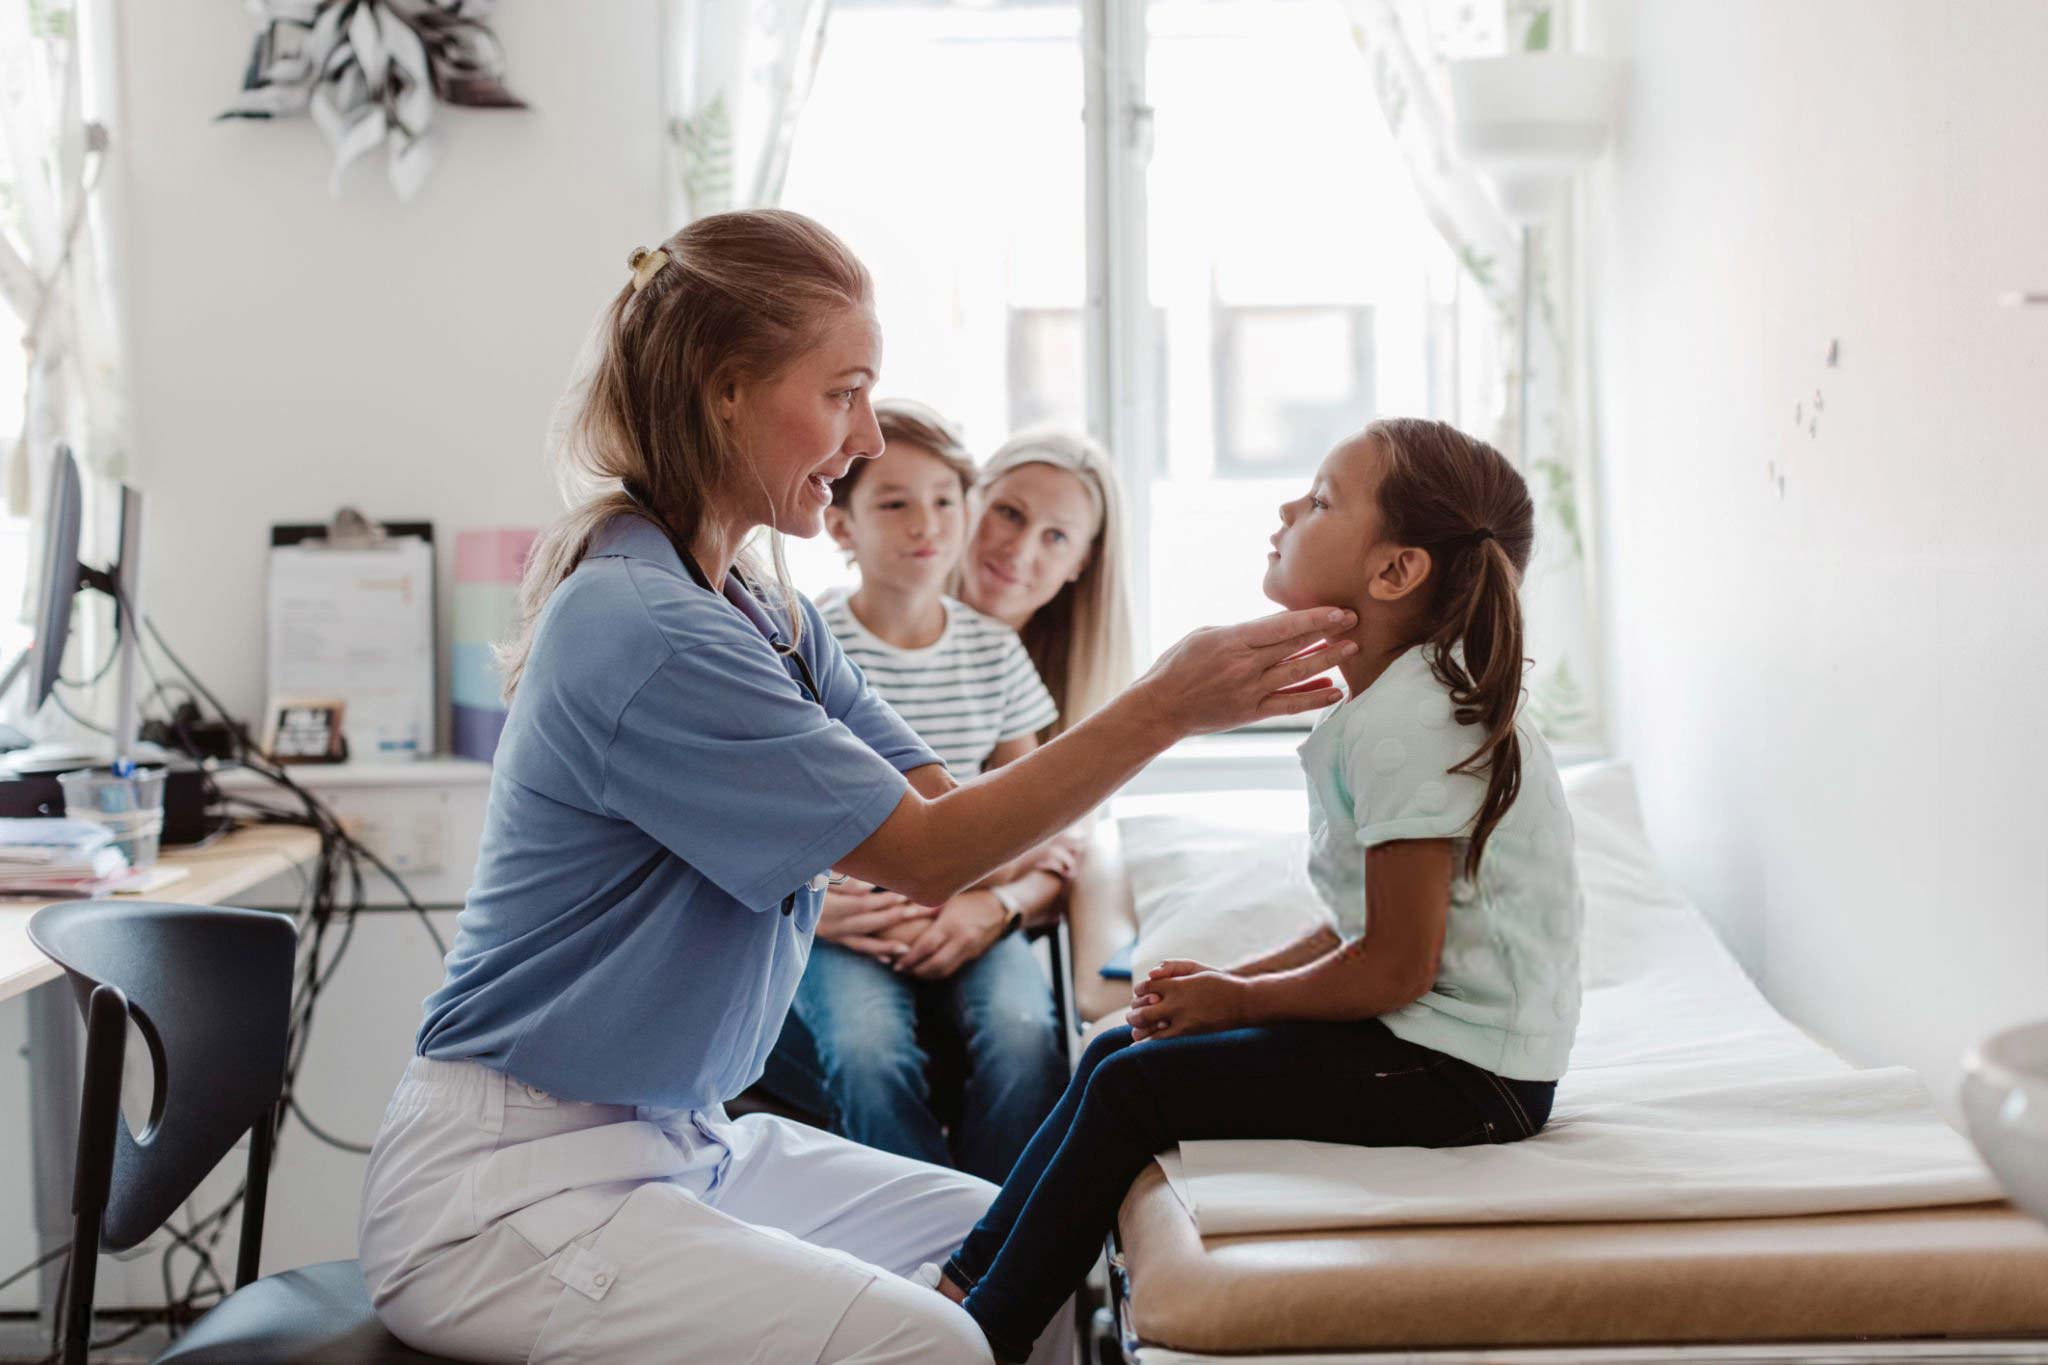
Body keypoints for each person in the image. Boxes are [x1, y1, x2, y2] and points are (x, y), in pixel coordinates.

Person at [353, 208, 1357, 1365]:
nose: (867, 435)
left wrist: (1122, 735)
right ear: (722, 390)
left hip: (674, 1143)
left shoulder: (760, 608)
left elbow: (940, 809)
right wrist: (1164, 706)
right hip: (512, 1191)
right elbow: (931, 856)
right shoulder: (650, 628)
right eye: (842, 394)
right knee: (935, 1344)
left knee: (1033, 1242)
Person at [927, 417, 1584, 1363]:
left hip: (1469, 1079)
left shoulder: (1413, 723)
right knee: (1116, 1051)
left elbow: (1396, 965)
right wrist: (1231, 987)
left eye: (1320, 500)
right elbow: (1357, 925)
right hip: (1438, 1047)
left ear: (1396, 572)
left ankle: (969, 1340)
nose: (1286, 508)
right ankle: (960, 1283)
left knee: (1132, 1089)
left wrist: (1238, 1000)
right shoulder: (1405, 702)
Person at [765, 398, 1077, 1181]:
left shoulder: (994, 649)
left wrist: (982, 887)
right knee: (866, 1050)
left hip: (968, 898)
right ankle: (915, 1245)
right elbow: (777, 810)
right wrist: (816, 901)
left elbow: (1031, 805)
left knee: (1023, 1031)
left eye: (945, 501)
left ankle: (995, 1244)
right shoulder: (804, 641)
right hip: (850, 917)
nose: (925, 524)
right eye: (895, 503)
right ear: (842, 526)